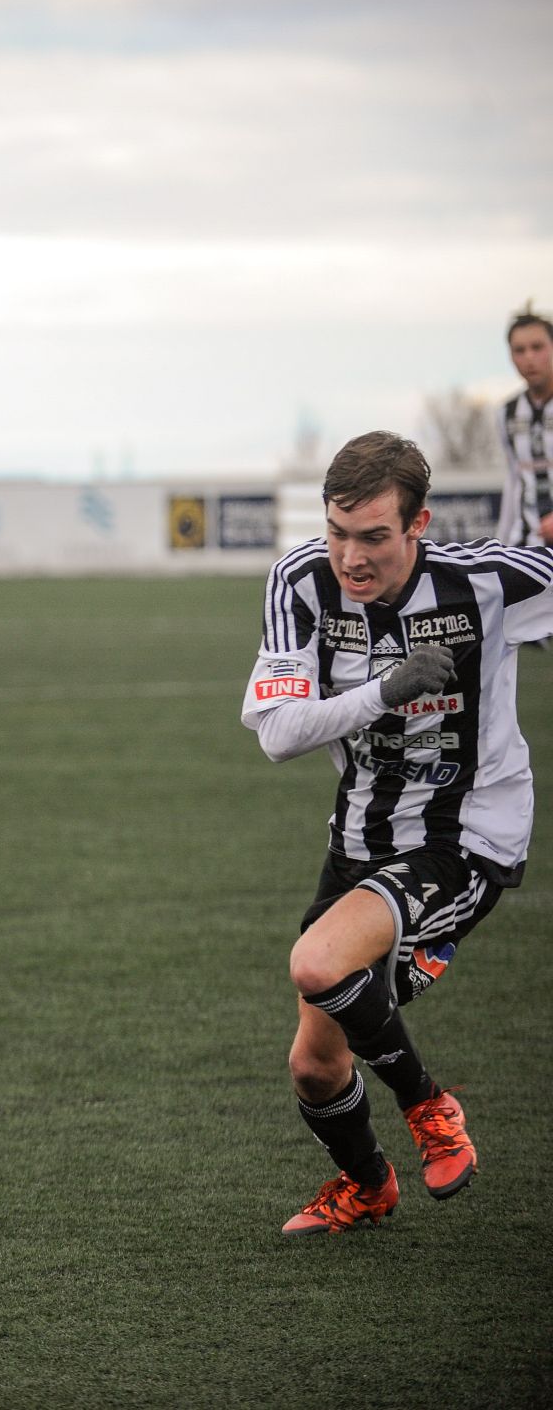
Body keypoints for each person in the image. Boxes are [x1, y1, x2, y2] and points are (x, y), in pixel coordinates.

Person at [240, 430, 552, 1236]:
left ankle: (428, 1106)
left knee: (318, 962)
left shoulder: (487, 583)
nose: (351, 556)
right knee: (314, 1064)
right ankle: (369, 1186)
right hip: (359, 838)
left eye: (374, 536)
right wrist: (385, 690)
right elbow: (277, 734)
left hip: (466, 835)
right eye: (338, 532)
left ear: (419, 524)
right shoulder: (302, 583)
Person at [496, 302, 552, 550]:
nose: (529, 358)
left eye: (537, 347)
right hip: (525, 546)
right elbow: (513, 481)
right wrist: (500, 546)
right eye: (519, 350)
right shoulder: (506, 413)